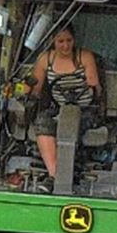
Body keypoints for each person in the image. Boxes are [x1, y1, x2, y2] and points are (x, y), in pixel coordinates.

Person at [26, 24, 101, 185]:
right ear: (53, 41)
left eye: (69, 40)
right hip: (58, 108)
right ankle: (55, 176)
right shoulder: (45, 59)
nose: (65, 45)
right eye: (60, 41)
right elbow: (35, 88)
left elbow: (93, 85)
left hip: (85, 108)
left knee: (71, 124)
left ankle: (73, 172)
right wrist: (23, 89)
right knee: (42, 121)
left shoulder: (85, 56)